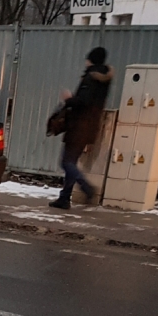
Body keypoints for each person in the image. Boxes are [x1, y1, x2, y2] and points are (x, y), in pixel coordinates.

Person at [50, 47, 113, 210]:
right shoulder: (104, 79)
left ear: (91, 60)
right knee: (71, 160)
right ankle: (64, 198)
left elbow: (83, 102)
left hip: (79, 125)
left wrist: (69, 99)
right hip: (90, 125)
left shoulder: (91, 78)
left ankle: (86, 187)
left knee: (66, 162)